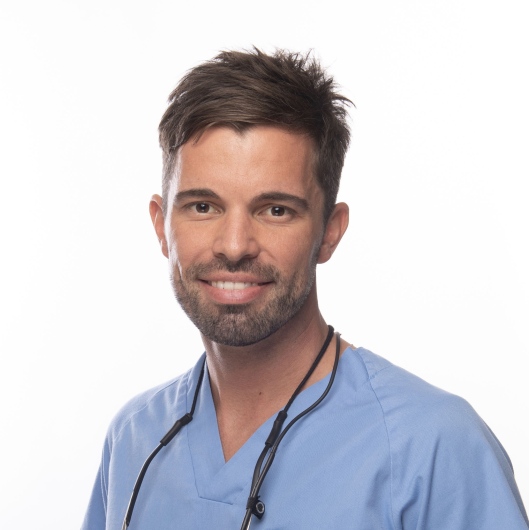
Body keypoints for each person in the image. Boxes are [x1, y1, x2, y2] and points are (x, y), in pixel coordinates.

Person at [82, 48, 529, 530]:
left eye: (275, 210)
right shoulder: (134, 440)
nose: (234, 246)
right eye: (203, 207)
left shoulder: (433, 449)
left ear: (329, 232)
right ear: (161, 226)